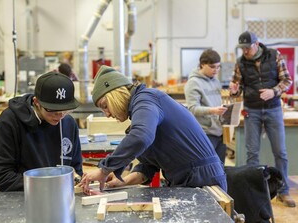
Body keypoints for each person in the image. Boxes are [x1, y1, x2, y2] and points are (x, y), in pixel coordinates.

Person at [80, 65, 227, 193]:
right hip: (191, 179)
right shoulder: (142, 108)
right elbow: (149, 167)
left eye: (105, 106)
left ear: (116, 94)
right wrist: (121, 181)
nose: (107, 114)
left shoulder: (146, 99)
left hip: (203, 180)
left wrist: (104, 169)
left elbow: (140, 137)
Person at [0, 71, 83, 192]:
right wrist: (49, 184)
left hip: (59, 199)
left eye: (65, 110)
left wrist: (79, 180)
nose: (60, 115)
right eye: (52, 110)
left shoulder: (68, 123)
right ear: (36, 102)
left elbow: (75, 170)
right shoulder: (9, 122)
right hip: (19, 201)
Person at [229, 31, 295, 207]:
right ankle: (255, 192)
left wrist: (273, 91)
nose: (244, 51)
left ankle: (283, 191)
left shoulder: (274, 56)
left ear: (256, 44)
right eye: (241, 48)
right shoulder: (240, 62)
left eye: (247, 47)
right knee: (252, 154)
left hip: (273, 109)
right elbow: (236, 88)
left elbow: (287, 80)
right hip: (252, 110)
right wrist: (234, 89)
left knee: (280, 152)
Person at [184, 49, 227, 164]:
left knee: (220, 167)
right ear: (202, 64)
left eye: (218, 67)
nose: (216, 70)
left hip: (219, 131)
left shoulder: (215, 81)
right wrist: (213, 111)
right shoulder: (193, 83)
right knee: (207, 167)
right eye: (212, 67)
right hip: (205, 133)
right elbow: (192, 109)